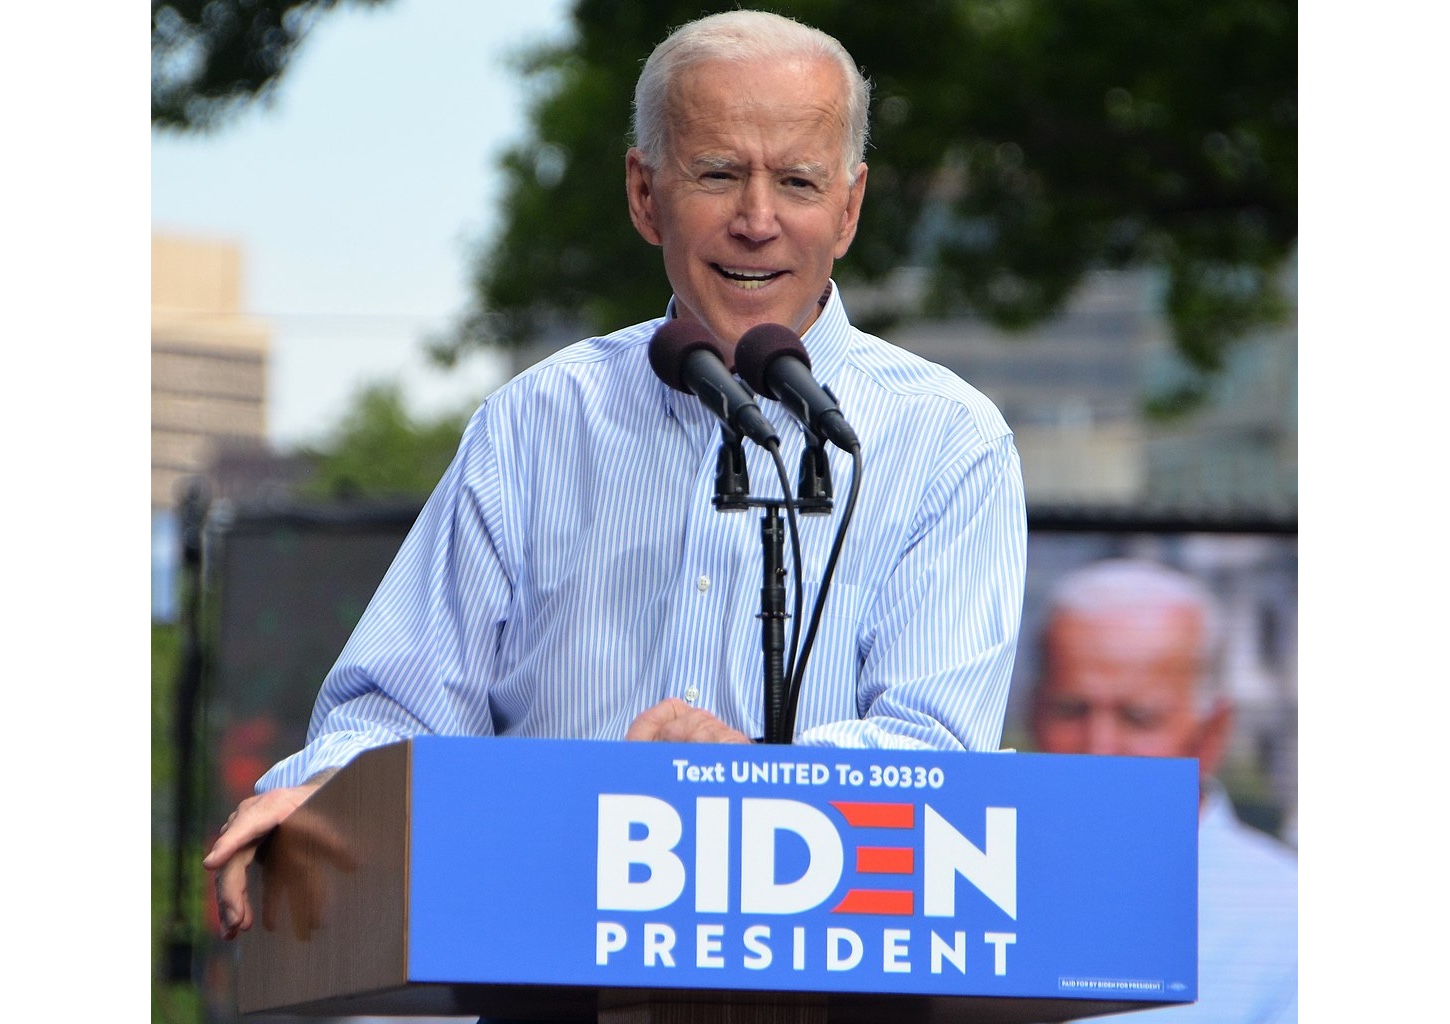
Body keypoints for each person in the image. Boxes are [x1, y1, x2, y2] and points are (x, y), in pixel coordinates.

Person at [206, 9, 1027, 942]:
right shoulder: (536, 422)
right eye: (718, 174)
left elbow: (937, 756)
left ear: (848, 207)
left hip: (840, 976)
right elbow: (396, 709)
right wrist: (324, 788)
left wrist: (750, 780)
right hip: (542, 967)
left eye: (797, 182)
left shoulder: (947, 441)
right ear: (645, 193)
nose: (758, 220)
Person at [1028, 558, 1297, 1024]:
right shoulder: (970, 889)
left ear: (1213, 732)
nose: (1099, 746)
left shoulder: (1293, 922)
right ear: (1031, 714)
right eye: (1071, 711)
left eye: (1138, 717)